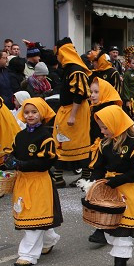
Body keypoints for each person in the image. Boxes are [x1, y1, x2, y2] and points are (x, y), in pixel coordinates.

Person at [88, 106, 134, 266]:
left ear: (116, 124)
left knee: (123, 231)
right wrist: (93, 184)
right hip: (109, 189)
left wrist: (117, 180)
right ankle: (121, 257)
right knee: (110, 229)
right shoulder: (104, 144)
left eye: (105, 127)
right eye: (101, 127)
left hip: (128, 189)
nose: (102, 131)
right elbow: (97, 166)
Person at [10, 98, 62, 266]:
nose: (30, 115)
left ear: (41, 114)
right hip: (23, 181)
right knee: (31, 214)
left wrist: (24, 165)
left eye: (34, 112)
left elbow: (47, 162)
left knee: (34, 217)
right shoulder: (20, 136)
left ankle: (28, 254)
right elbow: (13, 153)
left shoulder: (45, 137)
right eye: (26, 112)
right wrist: (9, 160)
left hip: (39, 181)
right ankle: (49, 239)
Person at [53, 39, 94, 178]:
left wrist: (72, 115)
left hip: (75, 111)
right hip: (67, 109)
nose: (57, 57)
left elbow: (79, 93)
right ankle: (59, 176)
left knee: (76, 142)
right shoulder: (69, 68)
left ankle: (85, 175)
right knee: (61, 140)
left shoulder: (75, 70)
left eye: (58, 54)